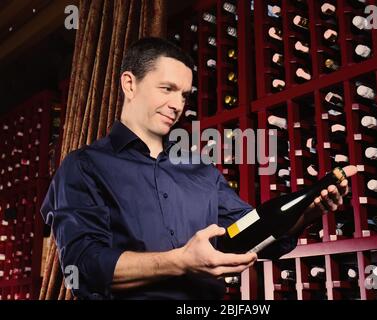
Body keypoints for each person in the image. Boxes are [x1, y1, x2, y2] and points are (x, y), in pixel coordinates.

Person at [41, 37, 349, 300]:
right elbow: (81, 268)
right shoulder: (84, 167)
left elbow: (246, 233)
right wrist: (182, 261)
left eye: (184, 94)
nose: (178, 104)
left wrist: (305, 214)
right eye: (167, 89)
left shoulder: (200, 171)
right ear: (130, 84)